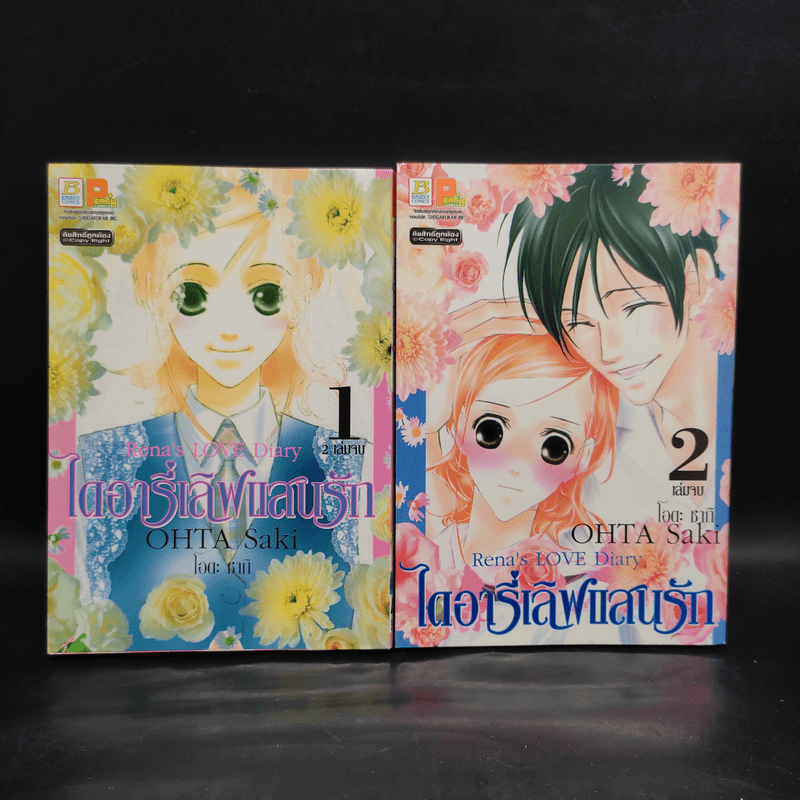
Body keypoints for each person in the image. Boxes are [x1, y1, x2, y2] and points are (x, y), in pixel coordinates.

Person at [76, 168, 368, 651]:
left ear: (301, 296)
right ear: (151, 292)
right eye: (192, 296)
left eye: (265, 295)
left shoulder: (342, 458)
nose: (230, 329)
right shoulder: (105, 455)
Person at [506, 164, 724, 513]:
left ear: (694, 279)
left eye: (632, 305)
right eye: (578, 322)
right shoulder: (587, 445)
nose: (609, 350)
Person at [429, 333, 618, 570]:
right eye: (491, 430)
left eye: (554, 447)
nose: (516, 462)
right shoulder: (433, 545)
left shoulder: (569, 573)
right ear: (461, 425)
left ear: (582, 457)